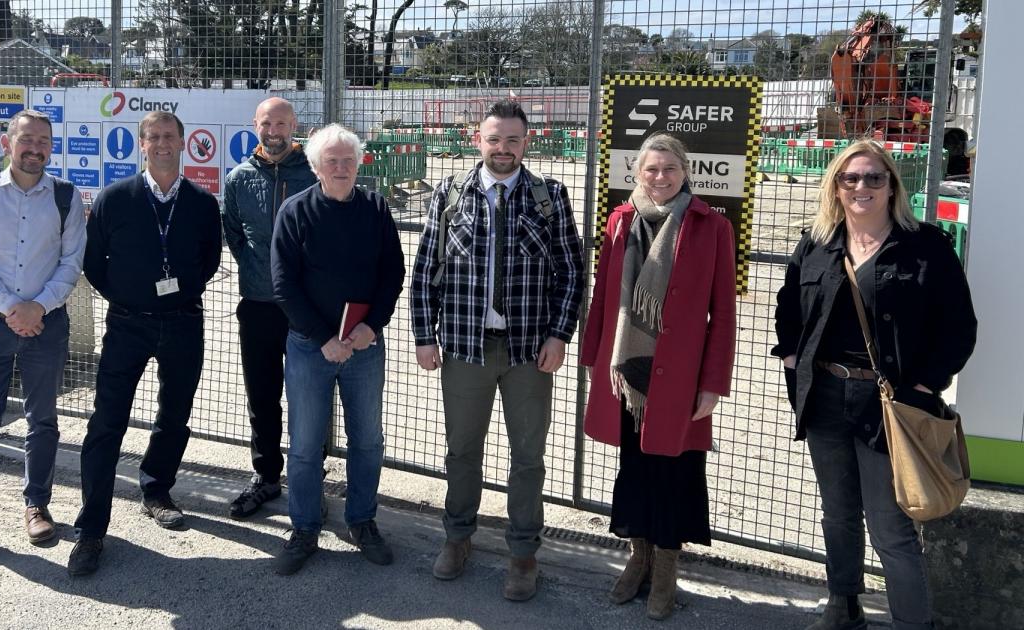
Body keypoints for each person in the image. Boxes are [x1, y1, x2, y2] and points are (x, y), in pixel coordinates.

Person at [773, 138, 976, 630]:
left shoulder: (924, 246)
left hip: (891, 404)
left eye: (873, 178)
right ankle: (843, 607)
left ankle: (912, 622)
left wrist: (926, 388)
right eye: (851, 178)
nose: (861, 186)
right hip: (824, 397)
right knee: (837, 514)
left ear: (891, 186)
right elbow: (787, 310)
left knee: (891, 526)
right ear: (836, 187)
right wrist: (796, 358)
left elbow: (959, 327)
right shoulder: (817, 242)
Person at [410, 99, 585, 601]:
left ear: (527, 142)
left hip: (529, 352)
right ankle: (458, 538)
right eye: (494, 139)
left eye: (512, 140)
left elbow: (572, 272)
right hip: (465, 348)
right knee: (462, 452)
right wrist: (425, 335)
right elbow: (426, 271)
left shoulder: (548, 196)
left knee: (527, 458)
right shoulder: (449, 194)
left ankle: (523, 554)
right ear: (477, 140)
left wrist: (559, 334)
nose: (502, 149)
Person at [579, 132, 736, 620]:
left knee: (675, 471)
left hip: (680, 377)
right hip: (627, 373)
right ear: (637, 173)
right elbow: (604, 295)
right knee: (636, 467)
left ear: (685, 171)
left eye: (669, 169)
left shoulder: (711, 227)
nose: (661, 177)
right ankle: (639, 557)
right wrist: (592, 356)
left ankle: (666, 568)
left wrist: (713, 383)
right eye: (651, 170)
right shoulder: (620, 220)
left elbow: (724, 314)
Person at [68, 111, 223, 576]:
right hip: (127, 324)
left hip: (182, 322)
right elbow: (93, 261)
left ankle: (156, 489)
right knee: (106, 423)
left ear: (182, 142)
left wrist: (181, 288)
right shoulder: (115, 199)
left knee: (174, 416)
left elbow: (209, 260)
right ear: (142, 144)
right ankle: (91, 529)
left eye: (169, 137)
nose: (161, 144)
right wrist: (127, 296)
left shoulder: (200, 202)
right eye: (153, 137)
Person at [0, 109, 86, 570]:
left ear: (51, 147)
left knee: (41, 421)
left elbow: (70, 264)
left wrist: (37, 308)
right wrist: (12, 308)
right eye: (26, 140)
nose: (35, 149)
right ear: (7, 144)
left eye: (43, 141)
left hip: (46, 327)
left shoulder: (66, 198)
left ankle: (37, 506)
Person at [269, 123, 405, 576]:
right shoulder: (295, 212)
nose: (342, 167)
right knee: (306, 445)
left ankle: (362, 520)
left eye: (349, 160)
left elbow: (392, 273)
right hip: (311, 348)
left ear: (360, 162)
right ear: (315, 167)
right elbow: (284, 286)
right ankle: (305, 526)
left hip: (365, 347)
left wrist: (372, 326)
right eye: (332, 161)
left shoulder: (375, 209)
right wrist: (323, 338)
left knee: (367, 440)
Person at [221, 97, 318, 519]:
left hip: (307, 308)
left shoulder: (314, 173)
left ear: (294, 125)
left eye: (281, 122)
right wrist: (259, 270)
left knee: (308, 398)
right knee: (262, 396)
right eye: (266, 123)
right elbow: (234, 237)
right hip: (258, 304)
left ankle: (308, 478)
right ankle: (267, 476)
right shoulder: (239, 178)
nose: (274, 130)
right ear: (255, 126)